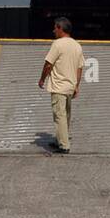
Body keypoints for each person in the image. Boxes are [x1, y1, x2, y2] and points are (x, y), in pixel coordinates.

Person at [38, 17, 84, 154]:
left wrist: (42, 79)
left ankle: (64, 145)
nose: (53, 31)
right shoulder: (77, 45)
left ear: (60, 28)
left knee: (59, 115)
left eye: (55, 28)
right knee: (66, 115)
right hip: (70, 86)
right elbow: (80, 68)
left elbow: (48, 64)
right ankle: (60, 139)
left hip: (59, 86)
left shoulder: (57, 44)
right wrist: (76, 85)